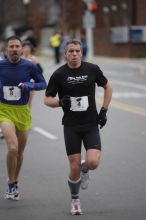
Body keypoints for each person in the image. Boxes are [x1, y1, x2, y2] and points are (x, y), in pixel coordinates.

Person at [44, 39, 112, 215]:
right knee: (73, 166)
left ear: (81, 53)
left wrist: (103, 111)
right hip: (71, 125)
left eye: (77, 51)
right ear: (65, 54)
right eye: (70, 51)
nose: (74, 54)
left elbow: (108, 87)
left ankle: (85, 168)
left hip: (90, 124)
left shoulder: (92, 69)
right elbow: (47, 99)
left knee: (93, 162)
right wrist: (59, 102)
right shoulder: (59, 74)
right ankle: (75, 200)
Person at [0, 36, 47, 200]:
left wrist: (30, 85)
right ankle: (10, 184)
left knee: (20, 151)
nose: (14, 49)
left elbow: (43, 83)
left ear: (21, 49)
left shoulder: (29, 66)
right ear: (6, 50)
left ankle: (14, 180)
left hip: (22, 111)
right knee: (12, 148)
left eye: (17, 46)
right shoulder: (1, 65)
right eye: (11, 46)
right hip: (4, 110)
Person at [22, 41, 43, 108]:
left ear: (30, 49)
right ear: (22, 49)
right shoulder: (19, 59)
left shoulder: (33, 59)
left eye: (28, 48)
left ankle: (28, 117)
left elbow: (40, 71)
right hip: (20, 83)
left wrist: (36, 63)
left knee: (28, 103)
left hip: (30, 83)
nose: (26, 50)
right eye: (25, 48)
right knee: (21, 103)